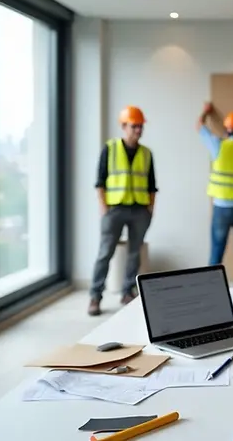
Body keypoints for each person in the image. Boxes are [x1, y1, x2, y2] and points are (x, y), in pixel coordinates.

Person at [89, 105, 157, 316]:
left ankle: (127, 291)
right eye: (134, 126)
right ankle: (95, 296)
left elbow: (151, 185)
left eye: (140, 126)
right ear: (124, 126)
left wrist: (150, 210)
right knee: (105, 252)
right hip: (115, 210)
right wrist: (104, 208)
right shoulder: (110, 149)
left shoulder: (146, 153)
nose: (138, 130)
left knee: (134, 253)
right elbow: (100, 182)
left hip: (139, 210)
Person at [197, 104, 233, 286]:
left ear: (227, 129)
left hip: (222, 208)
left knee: (217, 251)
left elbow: (199, 126)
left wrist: (206, 111)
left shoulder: (218, 145)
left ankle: (211, 288)